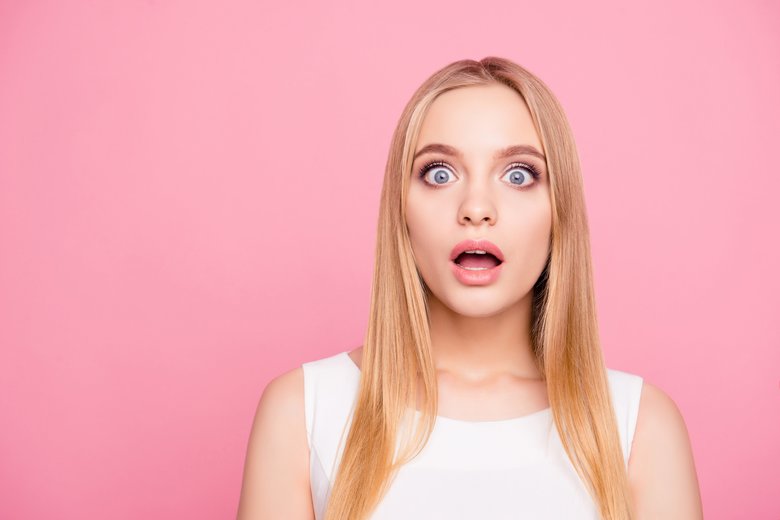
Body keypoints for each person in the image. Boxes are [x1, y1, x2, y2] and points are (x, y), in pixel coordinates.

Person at [236, 56, 703, 520]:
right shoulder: (303, 412)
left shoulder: (640, 426)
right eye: (440, 173)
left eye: (519, 174)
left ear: (560, 211)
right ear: (400, 209)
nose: (476, 208)